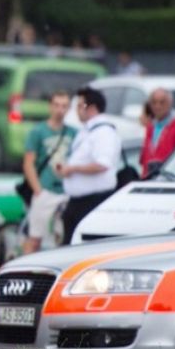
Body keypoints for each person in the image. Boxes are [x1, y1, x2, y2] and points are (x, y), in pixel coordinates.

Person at [57, 87, 121, 245]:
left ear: (92, 108)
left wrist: (73, 169)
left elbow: (102, 164)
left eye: (80, 106)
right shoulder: (88, 130)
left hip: (93, 201)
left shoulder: (104, 132)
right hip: (78, 201)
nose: (77, 111)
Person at [20, 91, 75, 254]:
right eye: (57, 105)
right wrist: (38, 190)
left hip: (66, 191)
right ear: (50, 107)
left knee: (63, 238)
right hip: (46, 189)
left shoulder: (74, 132)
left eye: (64, 106)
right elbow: (28, 163)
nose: (60, 110)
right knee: (35, 237)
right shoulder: (38, 131)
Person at [139, 88, 175, 177]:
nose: (157, 106)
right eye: (154, 102)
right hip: (150, 178)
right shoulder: (150, 127)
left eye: (162, 102)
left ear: (170, 103)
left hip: (169, 178)